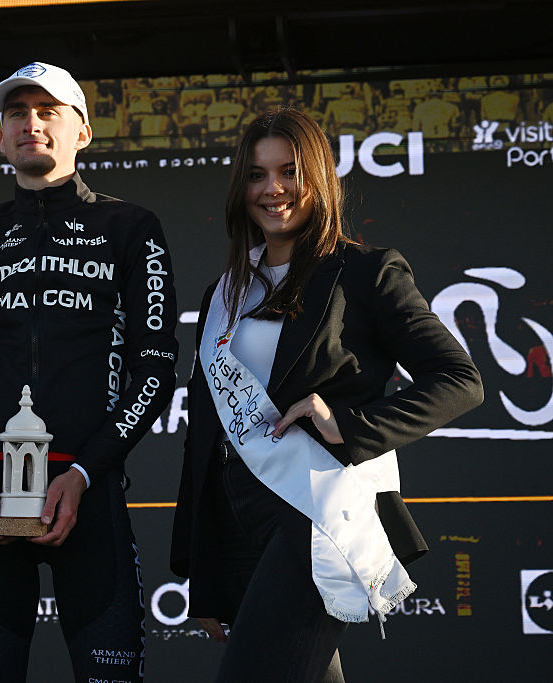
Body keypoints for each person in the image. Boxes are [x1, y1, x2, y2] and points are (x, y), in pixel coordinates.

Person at [170, 108, 483, 682]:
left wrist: (349, 424)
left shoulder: (366, 273)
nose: (273, 190)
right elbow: (206, 434)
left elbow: (460, 382)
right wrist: (203, 571)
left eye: (289, 171)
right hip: (239, 525)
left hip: (314, 511)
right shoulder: (224, 292)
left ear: (318, 176)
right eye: (257, 175)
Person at [0, 61, 178, 681]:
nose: (30, 123)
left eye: (48, 112)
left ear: (82, 132)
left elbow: (156, 366)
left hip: (88, 496)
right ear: (2, 134)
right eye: (17, 112)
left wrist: (90, 471)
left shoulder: (131, 228)